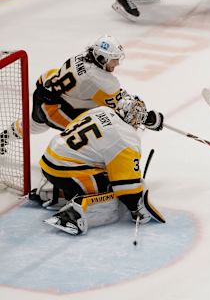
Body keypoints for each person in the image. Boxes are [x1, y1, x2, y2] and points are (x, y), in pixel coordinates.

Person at [0, 34, 163, 155]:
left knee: (35, 125)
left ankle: (4, 136)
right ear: (101, 57)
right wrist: (148, 118)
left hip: (45, 89)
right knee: (92, 133)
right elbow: (125, 108)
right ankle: (79, 167)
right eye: (113, 60)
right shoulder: (99, 79)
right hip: (54, 110)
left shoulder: (81, 58)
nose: (117, 63)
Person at [31, 97, 165, 235]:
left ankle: (52, 192)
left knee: (104, 173)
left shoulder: (102, 110)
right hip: (67, 169)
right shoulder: (127, 138)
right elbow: (126, 190)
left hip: (50, 156)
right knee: (111, 195)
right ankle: (73, 216)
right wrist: (137, 207)